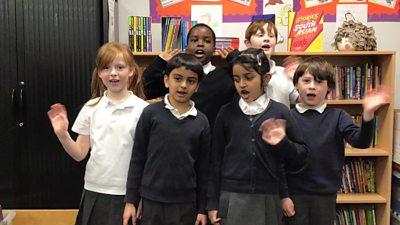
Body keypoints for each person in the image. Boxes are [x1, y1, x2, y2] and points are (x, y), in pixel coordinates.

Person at [47, 42, 149, 225]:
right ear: (99, 73)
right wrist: (62, 133)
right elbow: (79, 154)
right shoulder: (91, 107)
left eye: (120, 67)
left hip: (129, 193)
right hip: (95, 188)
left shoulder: (144, 110)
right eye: (106, 68)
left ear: (131, 71)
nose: (113, 73)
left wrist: (139, 197)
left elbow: (148, 159)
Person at [282, 56, 390, 225]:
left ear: (329, 88)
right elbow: (280, 159)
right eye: (306, 81)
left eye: (319, 82)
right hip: (294, 195)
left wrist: (368, 113)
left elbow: (361, 142)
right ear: (296, 85)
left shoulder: (338, 116)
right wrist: (284, 195)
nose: (312, 86)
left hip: (325, 194)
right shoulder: (287, 117)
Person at [207, 48, 309, 225]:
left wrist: (282, 143)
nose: (242, 84)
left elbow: (301, 155)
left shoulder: (280, 111)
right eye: (236, 79)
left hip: (268, 197)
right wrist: (212, 203)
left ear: (266, 79)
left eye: (249, 77)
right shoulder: (226, 113)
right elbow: (215, 160)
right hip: (231, 197)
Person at [123, 53, 211, 225]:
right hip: (151, 201)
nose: (183, 85)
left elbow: (203, 169)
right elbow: (138, 159)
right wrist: (131, 201)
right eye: (177, 78)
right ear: (166, 80)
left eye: (191, 81)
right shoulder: (150, 114)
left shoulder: (202, 122)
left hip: (186, 204)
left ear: (197, 86)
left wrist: (202, 209)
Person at [142, 23, 236, 130]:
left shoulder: (225, 76)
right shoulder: (177, 78)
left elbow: (254, 79)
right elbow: (147, 89)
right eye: (194, 40)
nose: (200, 44)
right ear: (186, 47)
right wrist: (159, 62)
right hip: (180, 137)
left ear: (214, 49)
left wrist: (235, 57)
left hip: (213, 140)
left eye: (207, 41)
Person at [221, 19, 300, 108]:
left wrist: (299, 80)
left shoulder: (283, 73)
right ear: (248, 43)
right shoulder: (240, 74)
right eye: (260, 35)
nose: (266, 39)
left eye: (271, 36)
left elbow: (302, 100)